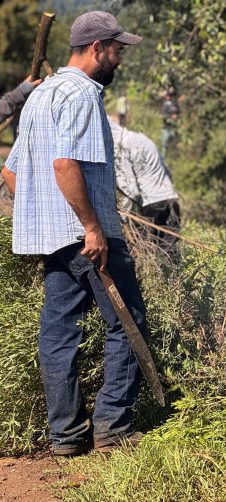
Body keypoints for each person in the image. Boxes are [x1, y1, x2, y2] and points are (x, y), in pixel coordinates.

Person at [0, 11, 144, 457]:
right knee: (128, 320)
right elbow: (65, 164)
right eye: (117, 51)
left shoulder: (40, 98)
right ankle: (112, 426)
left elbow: (10, 173)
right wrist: (89, 226)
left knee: (60, 332)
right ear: (97, 48)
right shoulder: (81, 94)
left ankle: (66, 434)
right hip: (86, 236)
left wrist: (48, 213)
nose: (119, 60)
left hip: (53, 238)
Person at [109, 115, 181, 258]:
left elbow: (131, 189)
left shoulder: (121, 146)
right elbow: (167, 170)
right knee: (170, 255)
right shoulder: (142, 138)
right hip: (171, 200)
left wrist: (122, 218)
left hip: (151, 206)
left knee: (147, 254)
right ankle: (174, 280)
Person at [159, 88, 180, 157]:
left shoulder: (174, 104)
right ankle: (163, 159)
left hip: (174, 127)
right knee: (164, 144)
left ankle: (173, 157)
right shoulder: (164, 105)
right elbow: (162, 115)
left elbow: (178, 113)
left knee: (174, 143)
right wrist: (170, 117)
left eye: (170, 95)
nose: (168, 97)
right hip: (166, 127)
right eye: (167, 95)